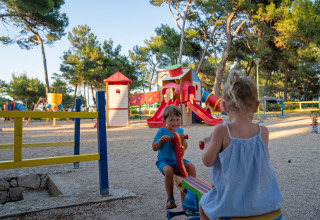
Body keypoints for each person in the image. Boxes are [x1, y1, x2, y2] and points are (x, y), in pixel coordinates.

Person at [199, 71, 283, 219]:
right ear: (256, 106)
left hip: (233, 208)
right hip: (268, 207)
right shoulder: (263, 132)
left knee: (203, 203)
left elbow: (208, 161)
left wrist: (208, 144)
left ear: (224, 107)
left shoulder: (222, 131)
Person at [152, 104, 196, 209]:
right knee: (168, 171)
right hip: (164, 160)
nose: (175, 123)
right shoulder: (161, 131)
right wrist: (161, 140)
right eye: (172, 120)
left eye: (177, 119)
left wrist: (182, 140)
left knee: (191, 167)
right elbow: (154, 147)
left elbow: (185, 147)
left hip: (177, 159)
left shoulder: (180, 131)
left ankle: (192, 193)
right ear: (165, 121)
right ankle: (170, 199)